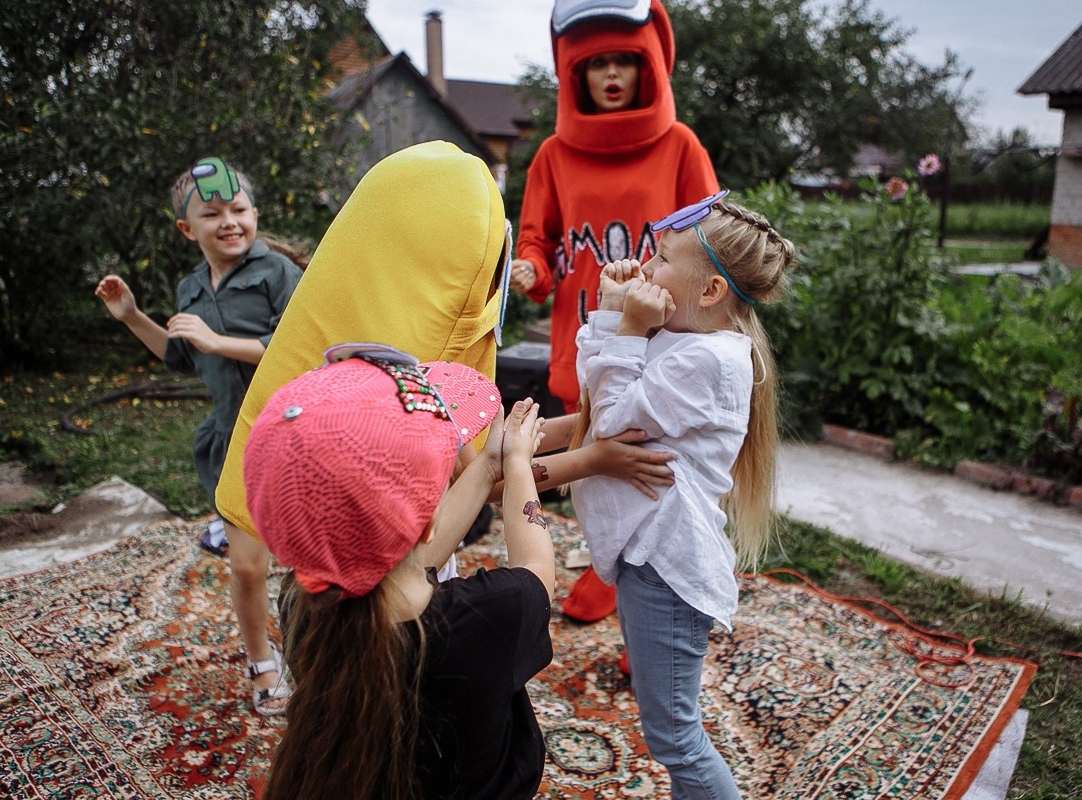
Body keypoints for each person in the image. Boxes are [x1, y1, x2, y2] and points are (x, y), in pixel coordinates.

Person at [209, 140, 675, 713]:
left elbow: (488, 459)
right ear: (427, 521)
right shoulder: (473, 621)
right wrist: (592, 459)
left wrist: (579, 428)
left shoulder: (311, 602)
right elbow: (492, 492)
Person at [244, 345, 553, 800]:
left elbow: (389, 557)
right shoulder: (490, 617)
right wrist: (517, 464)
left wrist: (489, 466)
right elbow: (537, 569)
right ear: (429, 523)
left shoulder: (301, 603)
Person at [572, 190, 794, 798]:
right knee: (668, 729)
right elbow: (596, 397)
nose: (646, 266)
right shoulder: (683, 339)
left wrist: (630, 327)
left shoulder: (712, 359)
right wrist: (613, 315)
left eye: (663, 258)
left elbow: (609, 424)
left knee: (675, 737)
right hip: (648, 556)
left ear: (711, 290)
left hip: (668, 567)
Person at [511, 0, 721, 625]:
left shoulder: (680, 145)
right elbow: (537, 238)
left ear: (645, 66)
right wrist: (531, 270)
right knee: (592, 465)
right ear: (576, 72)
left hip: (662, 340)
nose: (609, 74)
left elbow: (711, 237)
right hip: (586, 338)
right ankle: (611, 568)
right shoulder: (553, 155)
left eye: (622, 61)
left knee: (655, 469)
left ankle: (658, 601)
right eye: (596, 63)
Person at [94, 156, 302, 716]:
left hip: (294, 435)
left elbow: (299, 351)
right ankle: (262, 662)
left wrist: (218, 341)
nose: (229, 221)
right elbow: (181, 355)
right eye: (213, 214)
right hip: (232, 444)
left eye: (239, 209)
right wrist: (131, 316)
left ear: (254, 213)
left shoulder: (276, 273)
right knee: (248, 566)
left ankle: (325, 652)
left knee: (311, 561)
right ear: (188, 229)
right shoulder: (190, 287)